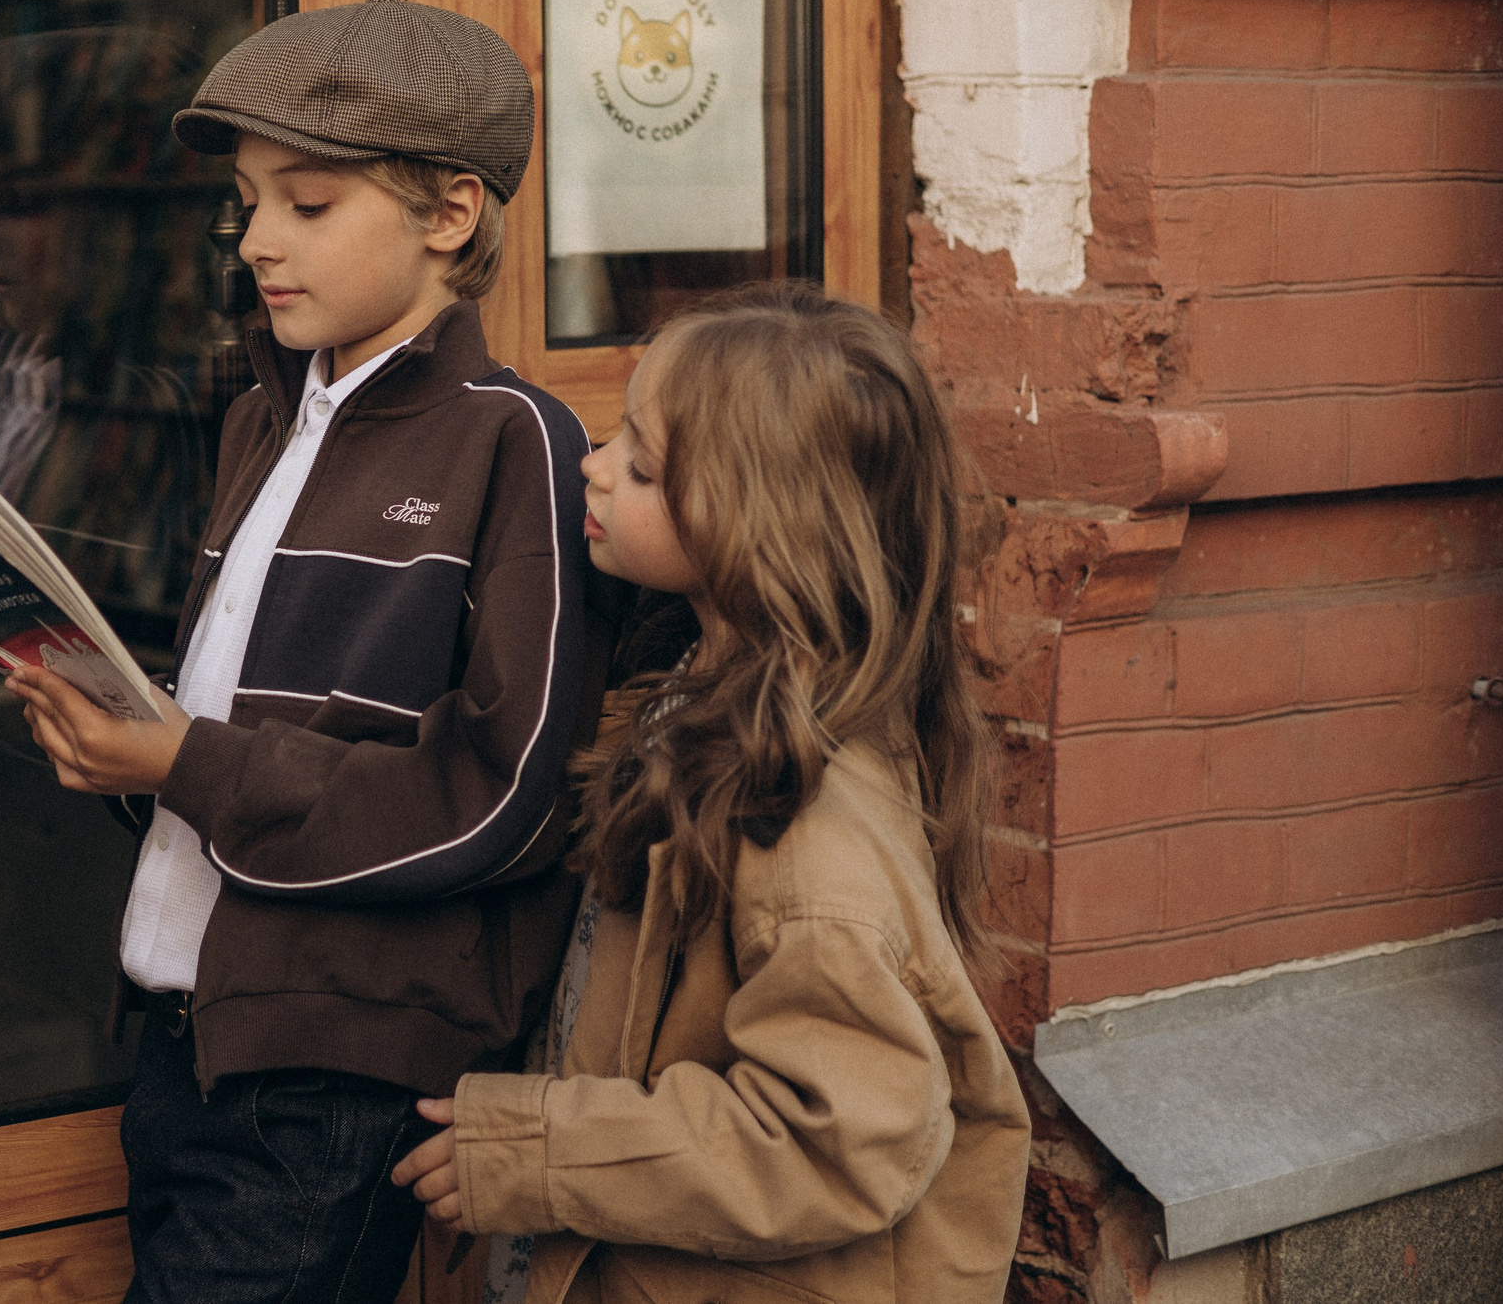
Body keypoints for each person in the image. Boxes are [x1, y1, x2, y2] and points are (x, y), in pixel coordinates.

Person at [8, 0, 608, 1304]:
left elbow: (506, 794)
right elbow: (231, 730)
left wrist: (190, 759)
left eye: (309, 204)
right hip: (185, 1040)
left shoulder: (515, 443)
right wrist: (123, 742)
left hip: (335, 1076)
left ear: (450, 214)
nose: (258, 242)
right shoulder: (259, 421)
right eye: (246, 203)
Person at [389, 283, 1031, 1304]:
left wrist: (536, 1152)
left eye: (641, 465)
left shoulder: (806, 826)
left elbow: (835, 1139)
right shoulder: (696, 705)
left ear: (758, 523)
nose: (592, 467)